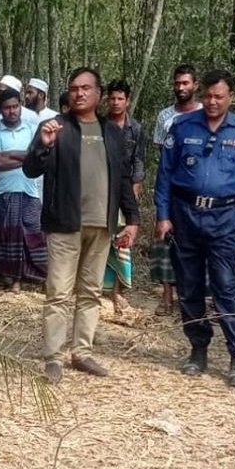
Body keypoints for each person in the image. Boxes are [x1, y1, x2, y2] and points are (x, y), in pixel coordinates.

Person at [24, 68, 140, 383]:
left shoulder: (112, 133)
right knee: (59, 292)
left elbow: (124, 178)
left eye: (86, 88)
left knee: (91, 291)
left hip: (102, 226)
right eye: (74, 88)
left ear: (98, 94)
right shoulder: (55, 127)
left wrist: (132, 219)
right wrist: (44, 145)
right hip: (65, 225)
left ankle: (82, 352)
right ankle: (54, 357)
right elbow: (31, 169)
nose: (79, 93)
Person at [154, 69, 235, 388]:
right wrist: (163, 214)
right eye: (209, 96)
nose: (212, 102)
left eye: (219, 97)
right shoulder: (182, 127)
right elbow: (165, 174)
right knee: (190, 287)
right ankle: (198, 349)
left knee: (226, 288)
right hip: (185, 217)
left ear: (231, 98)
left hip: (225, 219)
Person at [150, 64, 202, 315]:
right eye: (177, 83)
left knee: (196, 245)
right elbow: (163, 156)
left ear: (195, 85)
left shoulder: (206, 112)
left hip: (200, 191)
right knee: (167, 243)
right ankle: (166, 297)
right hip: (172, 189)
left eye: (185, 83)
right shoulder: (165, 117)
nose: (181, 88)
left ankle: (191, 298)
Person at [0, 88, 46, 292]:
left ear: (20, 106)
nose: (12, 111)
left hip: (29, 191)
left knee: (32, 233)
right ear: (0, 110)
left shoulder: (31, 130)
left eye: (15, 106)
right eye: (7, 108)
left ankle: (32, 277)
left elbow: (37, 157)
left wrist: (11, 154)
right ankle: (12, 279)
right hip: (5, 192)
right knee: (8, 235)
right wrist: (25, 158)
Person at [101, 80, 145, 311]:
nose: (116, 103)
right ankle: (99, 289)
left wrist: (133, 195)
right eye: (112, 98)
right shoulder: (100, 125)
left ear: (127, 101)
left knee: (122, 242)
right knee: (101, 239)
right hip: (101, 189)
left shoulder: (135, 129)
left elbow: (138, 161)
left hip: (125, 191)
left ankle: (117, 291)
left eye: (121, 99)